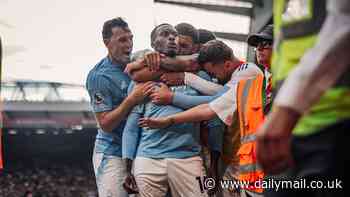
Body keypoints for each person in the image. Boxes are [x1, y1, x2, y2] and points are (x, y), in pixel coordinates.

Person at [256, 0, 350, 196]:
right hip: (290, 131)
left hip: (333, 123)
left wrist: (287, 109)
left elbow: (344, 20)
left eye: (265, 44)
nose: (260, 49)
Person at [122, 23, 209, 197]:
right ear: (153, 44)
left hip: (188, 158)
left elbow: (216, 102)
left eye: (174, 35)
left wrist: (173, 98)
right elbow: (131, 127)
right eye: (165, 34)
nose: (172, 37)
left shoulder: (198, 74)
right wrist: (127, 167)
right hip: (147, 158)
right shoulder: (141, 80)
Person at [85, 17, 153, 197]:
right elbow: (105, 124)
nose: (129, 44)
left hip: (142, 151)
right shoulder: (99, 76)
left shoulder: (140, 62)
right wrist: (131, 100)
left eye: (131, 38)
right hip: (112, 153)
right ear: (107, 43)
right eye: (122, 40)